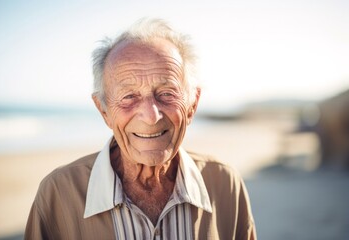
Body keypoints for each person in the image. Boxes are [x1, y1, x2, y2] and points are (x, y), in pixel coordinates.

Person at [24, 18, 256, 239]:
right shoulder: (58, 194)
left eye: (166, 93)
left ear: (192, 104)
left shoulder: (225, 184)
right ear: (103, 110)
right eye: (129, 96)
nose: (151, 116)